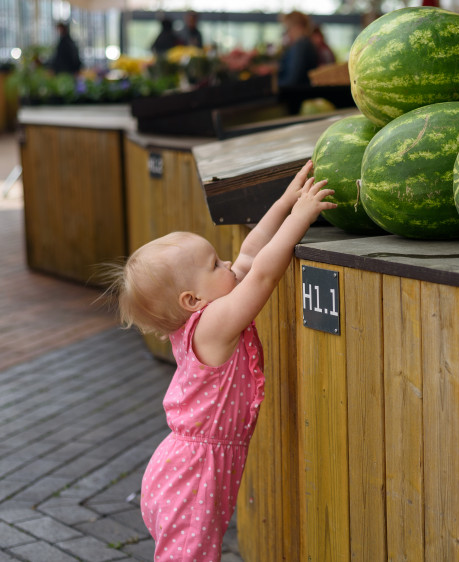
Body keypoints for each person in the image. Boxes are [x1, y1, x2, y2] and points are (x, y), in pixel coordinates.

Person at [104, 161, 334, 561]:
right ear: (192, 301)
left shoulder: (207, 314)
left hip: (185, 465)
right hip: (193, 473)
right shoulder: (212, 326)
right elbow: (261, 276)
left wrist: (282, 203)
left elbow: (248, 255)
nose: (227, 265)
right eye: (215, 265)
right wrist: (300, 217)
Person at [277, 11, 319, 89]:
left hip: (296, 94)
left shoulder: (301, 46)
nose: (287, 33)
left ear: (298, 27)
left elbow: (292, 80)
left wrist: (272, 85)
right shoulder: (306, 43)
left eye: (288, 29)